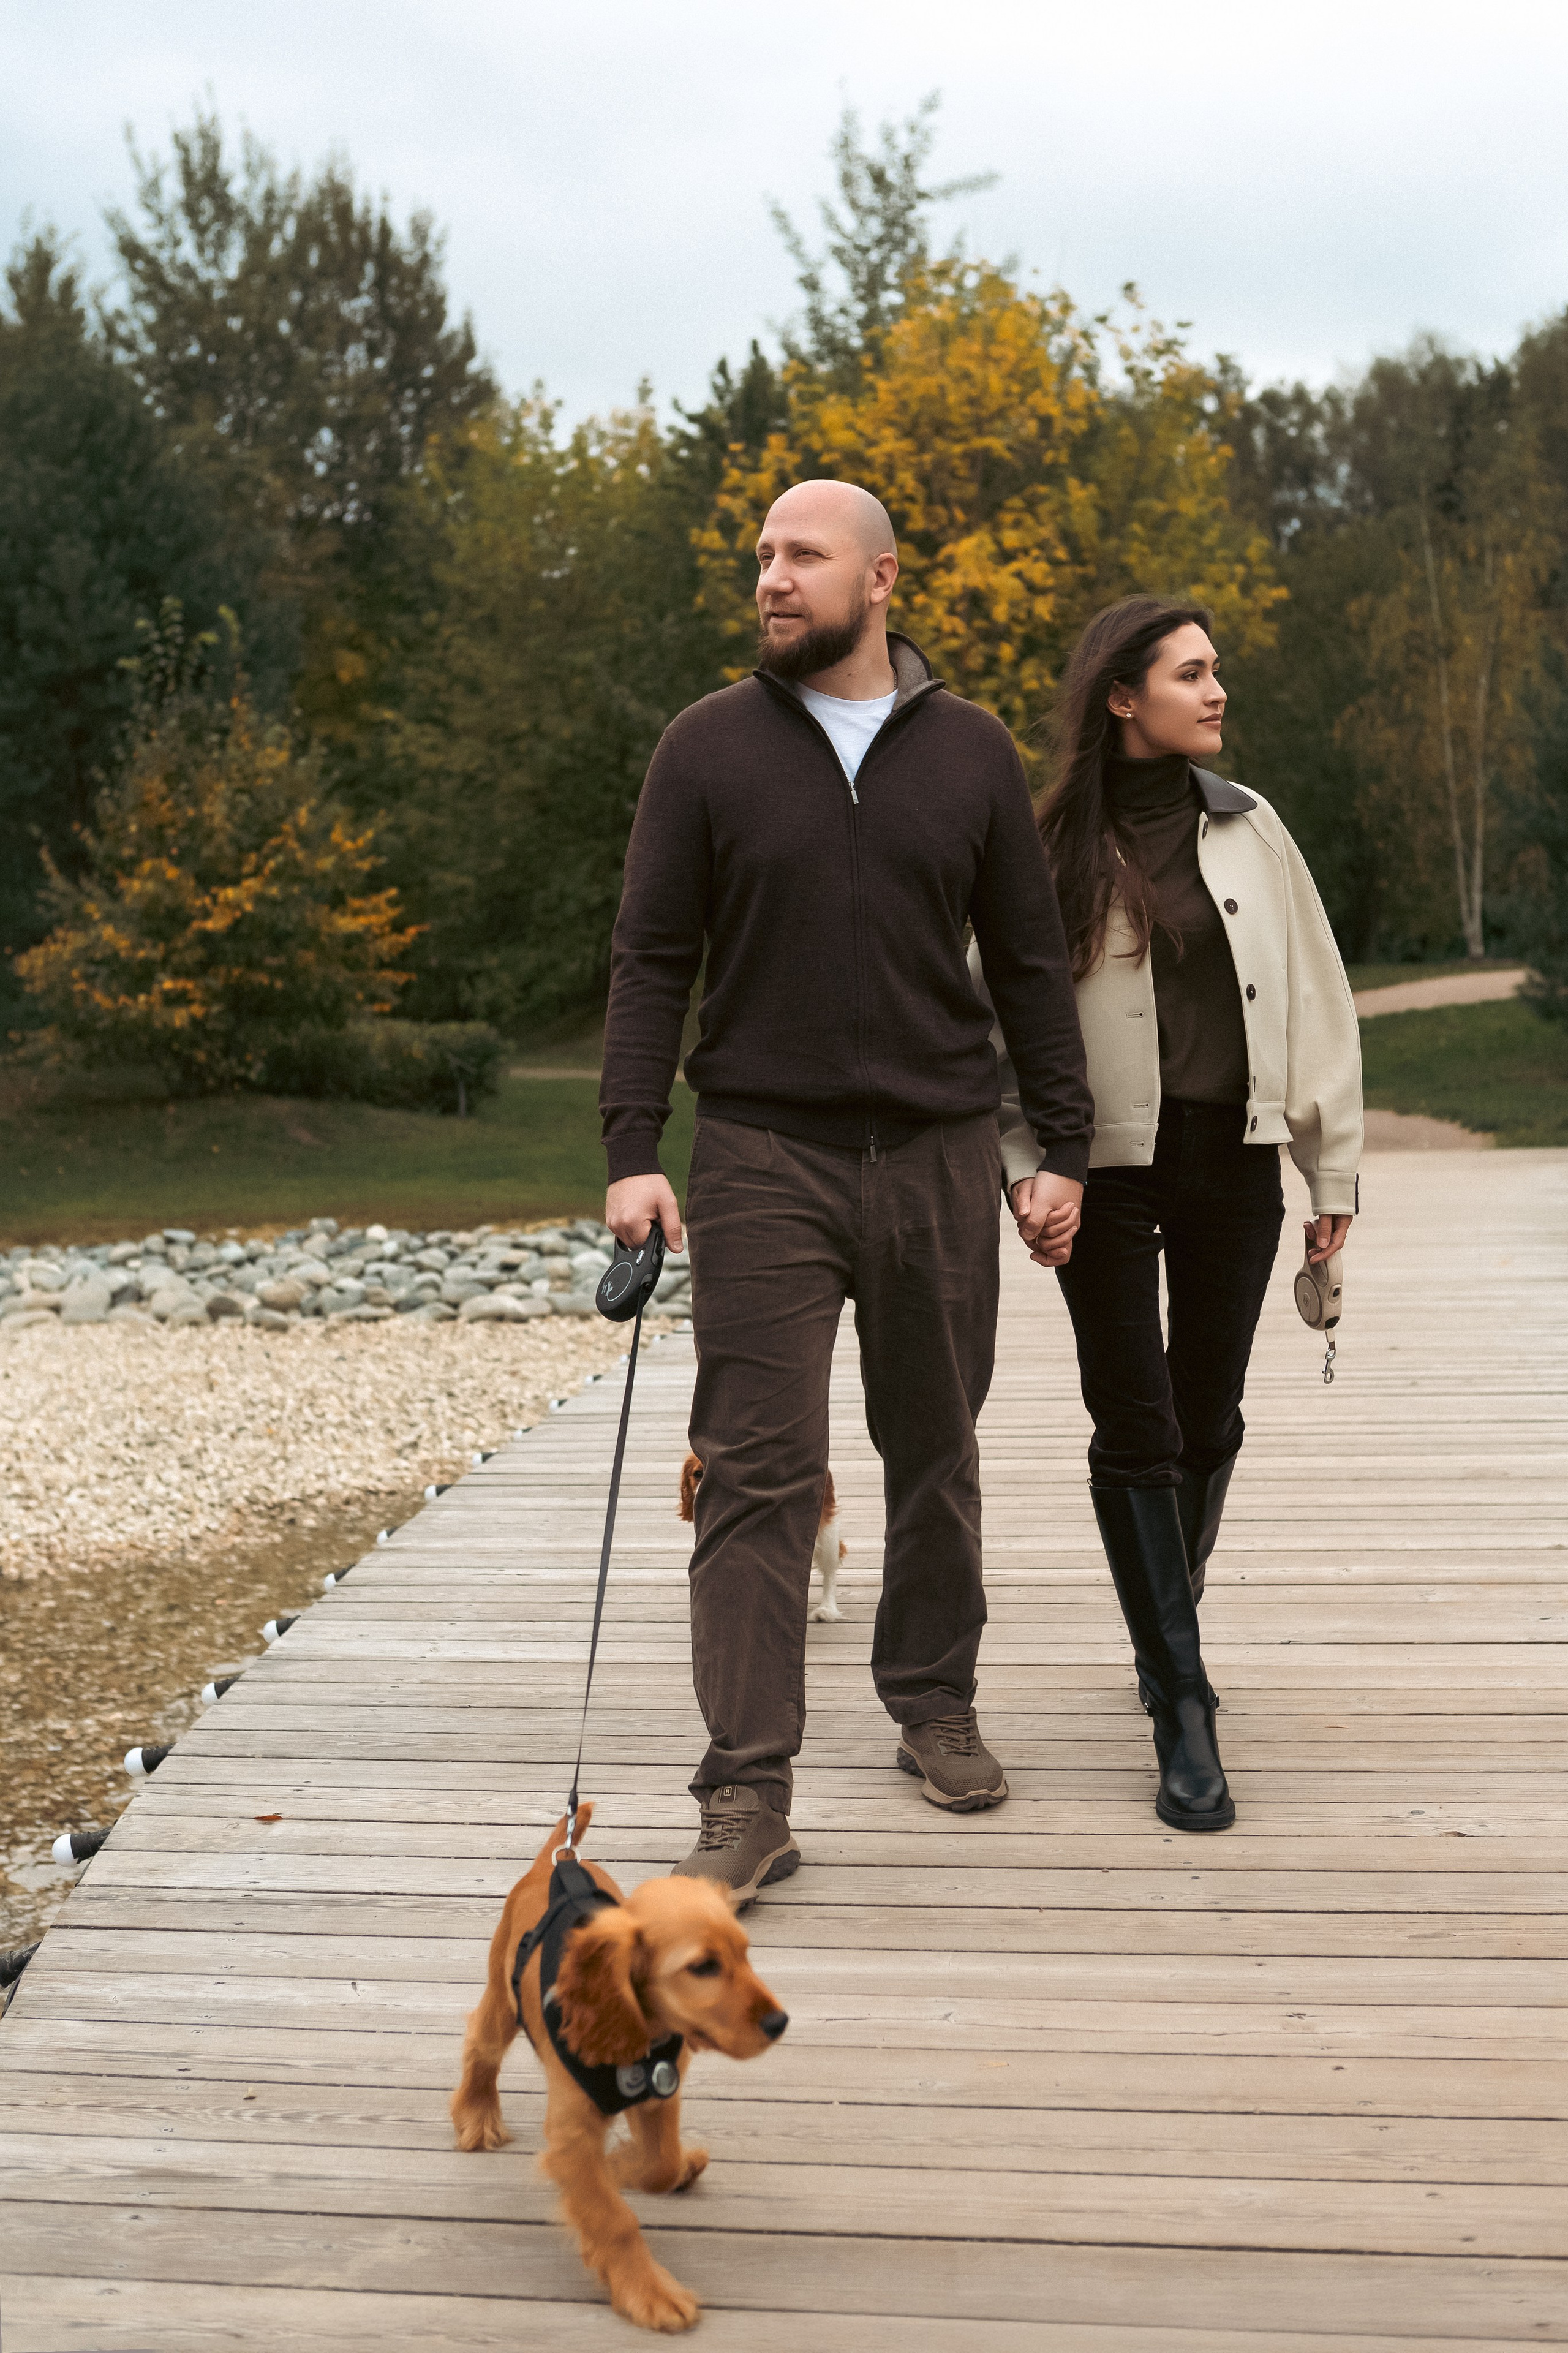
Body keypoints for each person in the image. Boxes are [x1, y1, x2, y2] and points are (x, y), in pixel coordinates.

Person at [600, 477, 1094, 1900]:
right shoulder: (704, 749)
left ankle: (931, 1701)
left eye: (800, 557)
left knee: (935, 1446)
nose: (770, 578)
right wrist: (635, 1149)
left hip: (940, 1149)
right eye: (761, 554)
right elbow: (647, 960)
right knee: (755, 1472)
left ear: (880, 580)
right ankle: (746, 1792)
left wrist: (1053, 1147)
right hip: (760, 1153)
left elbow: (1027, 964)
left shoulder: (971, 755)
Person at [973, 596, 1362, 1833]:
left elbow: (1316, 996)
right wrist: (1024, 1161)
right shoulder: (1039, 851)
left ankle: (1163, 1614)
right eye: (1190, 673)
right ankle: (1179, 1699)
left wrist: (1328, 1174)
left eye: (1216, 672)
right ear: (1120, 698)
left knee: (1207, 1411)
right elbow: (993, 1031)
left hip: (1232, 1162)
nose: (1216, 691)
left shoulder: (1253, 832)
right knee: (1130, 1419)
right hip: (1103, 1171)